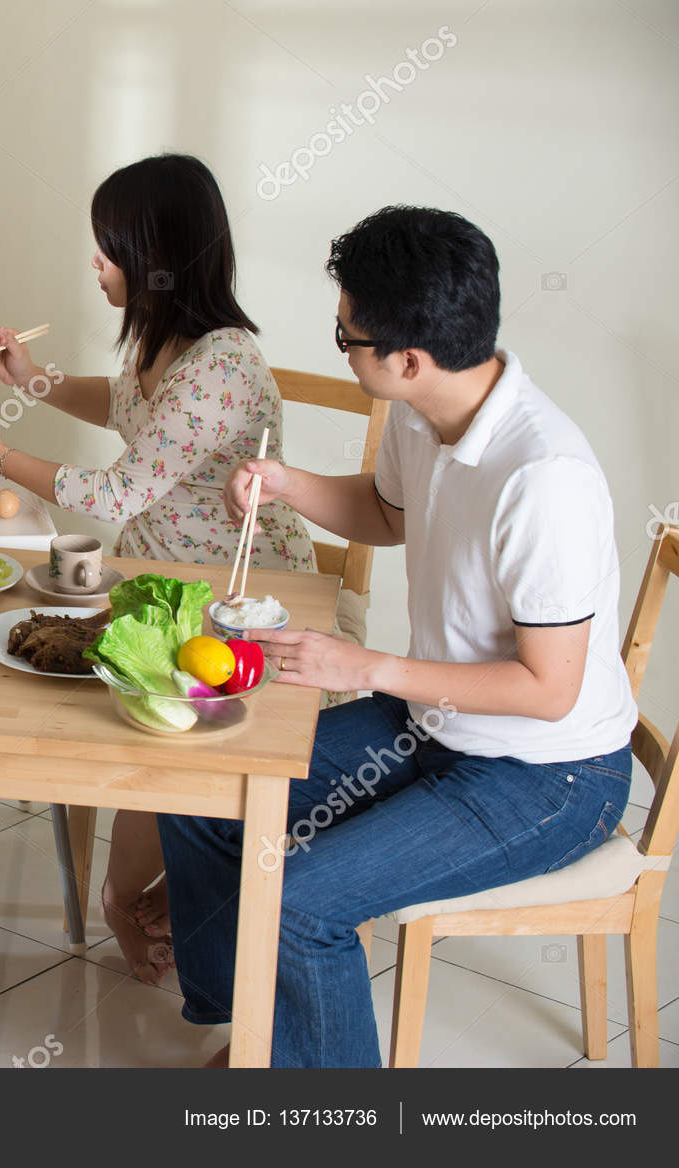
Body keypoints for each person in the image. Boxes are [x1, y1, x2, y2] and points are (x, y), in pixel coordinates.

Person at [157, 205, 638, 1068]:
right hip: (435, 725)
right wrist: (286, 482)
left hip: (547, 773)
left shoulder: (543, 479)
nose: (342, 344)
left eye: (347, 337)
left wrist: (364, 664)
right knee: (203, 784)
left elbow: (548, 689)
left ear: (407, 359)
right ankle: (260, 1033)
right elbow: (386, 512)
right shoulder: (427, 411)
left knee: (300, 906)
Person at [0, 154, 317, 986]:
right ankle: (139, 894)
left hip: (234, 597)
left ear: (154, 256)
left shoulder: (220, 365)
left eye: (106, 249)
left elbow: (114, 490)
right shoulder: (168, 339)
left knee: (141, 718)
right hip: (166, 578)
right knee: (106, 696)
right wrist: (32, 381)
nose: (95, 264)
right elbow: (130, 404)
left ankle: (135, 896)